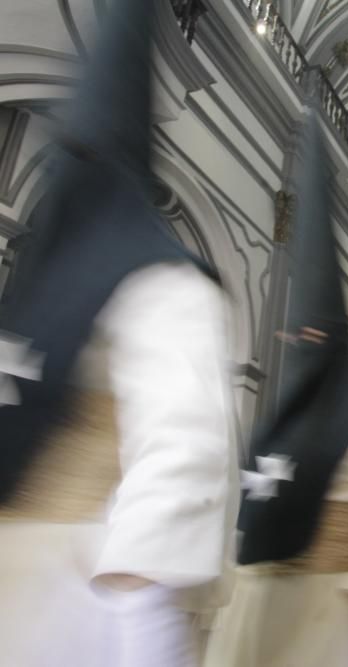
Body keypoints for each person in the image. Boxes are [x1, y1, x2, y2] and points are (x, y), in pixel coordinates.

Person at [0, 2, 237, 665]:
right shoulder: (37, 280)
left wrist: (138, 620)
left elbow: (180, 449)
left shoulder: (164, 280)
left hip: (79, 602)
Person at [202, 110, 348, 667]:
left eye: (310, 335)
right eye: (290, 335)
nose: (294, 343)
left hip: (327, 638)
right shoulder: (271, 431)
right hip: (245, 633)